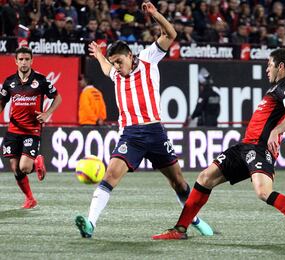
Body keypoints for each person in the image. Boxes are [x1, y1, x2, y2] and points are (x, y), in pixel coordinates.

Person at [152, 48, 285, 243]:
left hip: (259, 149)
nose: (267, 69)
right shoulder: (277, 90)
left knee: (263, 192)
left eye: (269, 65)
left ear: (281, 66)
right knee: (205, 178)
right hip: (245, 147)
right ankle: (180, 228)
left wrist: (278, 136)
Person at [75, 1, 213, 238]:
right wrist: (99, 54)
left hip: (156, 132)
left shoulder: (149, 59)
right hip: (131, 135)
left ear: (130, 55)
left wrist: (155, 14)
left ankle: (195, 219)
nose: (117, 67)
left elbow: (171, 34)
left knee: (179, 183)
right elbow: (106, 66)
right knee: (110, 176)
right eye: (114, 63)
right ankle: (90, 224)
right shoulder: (116, 73)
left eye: (120, 61)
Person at [0, 46, 62, 209]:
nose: (24, 62)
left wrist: (48, 113)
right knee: (15, 168)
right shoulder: (9, 82)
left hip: (31, 130)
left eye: (27, 59)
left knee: (25, 167)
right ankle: (30, 199)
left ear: (32, 60)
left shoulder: (41, 80)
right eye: (21, 59)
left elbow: (58, 97)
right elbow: (2, 102)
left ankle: (37, 164)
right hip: (13, 129)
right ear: (16, 61)